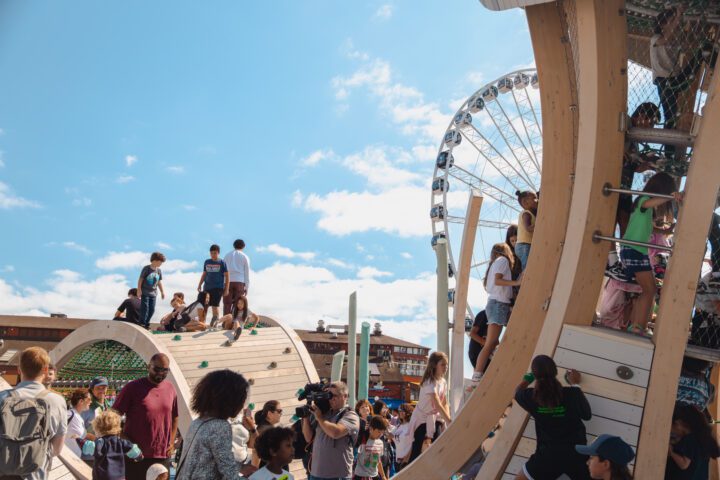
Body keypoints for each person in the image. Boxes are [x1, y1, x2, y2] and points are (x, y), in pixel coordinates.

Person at [621, 172, 682, 336]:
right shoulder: (643, 200)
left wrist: (665, 230)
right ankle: (637, 327)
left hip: (633, 250)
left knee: (647, 290)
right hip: (634, 250)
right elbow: (650, 202)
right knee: (650, 290)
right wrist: (670, 197)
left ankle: (635, 325)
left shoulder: (643, 207)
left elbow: (646, 227)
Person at [514, 355, 592, 480]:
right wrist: (575, 384)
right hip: (576, 453)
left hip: (548, 454)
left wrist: (529, 378)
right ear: (555, 372)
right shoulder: (572, 394)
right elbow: (587, 416)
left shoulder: (530, 397)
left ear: (536, 375)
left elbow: (517, 392)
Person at [0, 347, 67, 480]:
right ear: (46, 370)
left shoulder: (2, 398)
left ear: (19, 370)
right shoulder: (57, 401)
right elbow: (57, 449)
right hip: (36, 474)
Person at [177, 369, 255, 480]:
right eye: (242, 398)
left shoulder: (198, 422)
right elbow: (229, 473)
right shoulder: (219, 426)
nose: (242, 405)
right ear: (230, 399)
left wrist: (241, 467)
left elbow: (212, 459)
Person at [112, 353, 178, 480]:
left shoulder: (171, 389)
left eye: (165, 370)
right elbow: (110, 420)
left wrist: (171, 441)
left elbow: (175, 417)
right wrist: (129, 443)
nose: (161, 373)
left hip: (162, 456)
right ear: (148, 366)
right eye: (157, 369)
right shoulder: (132, 388)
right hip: (136, 456)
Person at [651, 5, 714, 132]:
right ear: (663, 25)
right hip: (664, 82)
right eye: (671, 22)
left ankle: (712, 60)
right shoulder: (655, 38)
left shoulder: (674, 40)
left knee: (702, 51)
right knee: (670, 116)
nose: (675, 24)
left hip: (675, 78)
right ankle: (669, 148)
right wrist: (678, 15)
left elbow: (684, 40)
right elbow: (664, 39)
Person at [471, 243, 521, 384]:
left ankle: (479, 373)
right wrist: (516, 282)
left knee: (493, 343)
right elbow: (499, 281)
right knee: (490, 343)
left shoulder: (493, 264)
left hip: (496, 304)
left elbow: (491, 285)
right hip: (499, 305)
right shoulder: (503, 261)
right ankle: (477, 376)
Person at [301, 381, 360, 480]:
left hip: (338, 475)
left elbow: (336, 433)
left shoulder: (350, 415)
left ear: (345, 396)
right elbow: (308, 438)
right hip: (316, 474)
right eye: (329, 395)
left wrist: (320, 418)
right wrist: (306, 417)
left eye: (334, 395)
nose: (331, 398)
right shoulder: (323, 413)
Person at [407, 352, 451, 462]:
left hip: (435, 418)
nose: (446, 367)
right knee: (417, 450)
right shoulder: (429, 383)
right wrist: (450, 421)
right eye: (443, 364)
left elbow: (444, 403)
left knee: (438, 447)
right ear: (434, 365)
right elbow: (437, 403)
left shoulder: (443, 382)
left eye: (446, 364)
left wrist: (448, 421)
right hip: (422, 418)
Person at [666, 403, 720, 480]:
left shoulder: (689, 440)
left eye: (672, 425)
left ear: (679, 423)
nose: (671, 429)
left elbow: (684, 464)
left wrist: (671, 453)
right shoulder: (700, 440)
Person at [86, 409, 143, 480]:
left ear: (98, 429)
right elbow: (134, 450)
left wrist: (79, 440)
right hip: (119, 477)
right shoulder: (121, 442)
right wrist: (139, 456)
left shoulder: (100, 442)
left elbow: (89, 447)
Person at [197, 244, 229, 328]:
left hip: (218, 288)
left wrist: (226, 289)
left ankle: (215, 324)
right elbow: (204, 274)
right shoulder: (207, 262)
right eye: (211, 253)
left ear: (218, 253)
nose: (213, 255)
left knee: (215, 306)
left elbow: (227, 276)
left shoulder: (222, 262)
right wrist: (200, 284)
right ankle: (202, 324)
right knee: (204, 306)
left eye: (215, 253)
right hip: (207, 287)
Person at [354, 415, 389, 480]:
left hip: (375, 476)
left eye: (382, 432)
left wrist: (383, 476)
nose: (380, 434)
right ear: (371, 429)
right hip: (361, 476)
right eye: (378, 431)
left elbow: (378, 461)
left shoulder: (380, 443)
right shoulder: (362, 440)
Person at [137, 252, 166, 329]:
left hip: (153, 293)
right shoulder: (146, 268)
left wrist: (162, 292)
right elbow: (141, 279)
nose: (161, 264)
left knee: (152, 309)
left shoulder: (159, 270)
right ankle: (142, 323)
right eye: (160, 262)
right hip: (145, 291)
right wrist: (139, 290)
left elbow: (159, 282)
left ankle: (146, 323)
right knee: (145, 308)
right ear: (155, 260)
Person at [65, 388, 95, 459]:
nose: (91, 401)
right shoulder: (71, 415)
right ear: (81, 401)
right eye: (89, 399)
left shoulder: (77, 416)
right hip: (68, 458)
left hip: (74, 457)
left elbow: (83, 435)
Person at [223, 239, 251, 316]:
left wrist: (223, 284)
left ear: (233, 246)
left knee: (227, 303)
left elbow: (223, 271)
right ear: (243, 246)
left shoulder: (227, 255)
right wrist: (247, 287)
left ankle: (226, 323)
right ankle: (235, 321)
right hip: (240, 282)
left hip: (228, 281)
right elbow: (247, 273)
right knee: (238, 304)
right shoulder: (245, 256)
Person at [515, 190, 538, 271]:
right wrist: (539, 224)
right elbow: (528, 228)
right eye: (534, 198)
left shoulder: (531, 213)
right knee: (528, 268)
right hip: (524, 246)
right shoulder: (526, 214)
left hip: (526, 245)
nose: (537, 200)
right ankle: (525, 280)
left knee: (530, 266)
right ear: (525, 202)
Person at [230, 406, 259, 472]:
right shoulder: (216, 419)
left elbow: (253, 445)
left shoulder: (243, 417)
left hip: (243, 466)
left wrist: (251, 427)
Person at [393, 404, 414, 471]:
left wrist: (406, 459)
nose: (400, 412)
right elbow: (391, 436)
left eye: (403, 411)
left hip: (406, 460)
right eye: (399, 411)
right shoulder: (398, 426)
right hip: (397, 460)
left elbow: (414, 443)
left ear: (408, 412)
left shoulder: (411, 426)